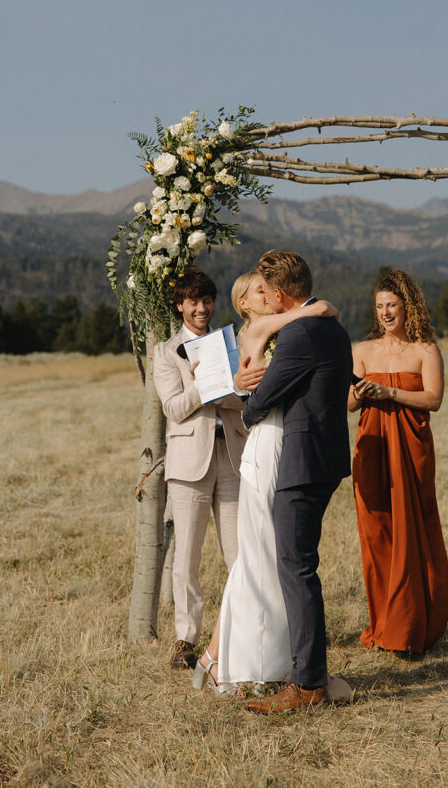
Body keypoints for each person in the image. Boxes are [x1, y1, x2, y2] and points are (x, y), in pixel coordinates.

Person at [191, 270, 339, 695]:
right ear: (246, 305)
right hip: (267, 441)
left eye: (269, 288)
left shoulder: (267, 330)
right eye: (259, 291)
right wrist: (320, 307)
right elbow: (318, 311)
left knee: (262, 555)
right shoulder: (258, 328)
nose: (269, 294)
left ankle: (221, 654)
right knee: (260, 555)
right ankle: (240, 662)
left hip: (281, 443)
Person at [238, 251, 354, 714]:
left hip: (303, 461)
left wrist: (246, 406)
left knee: (297, 567)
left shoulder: (300, 332)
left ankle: (307, 686)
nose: (265, 300)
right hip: (321, 457)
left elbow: (265, 395)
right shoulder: (327, 323)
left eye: (268, 292)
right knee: (298, 564)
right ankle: (308, 674)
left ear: (282, 294)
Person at [349, 268, 448, 656]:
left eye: (392, 305)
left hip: (411, 449)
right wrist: (360, 394)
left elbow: (434, 399)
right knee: (376, 535)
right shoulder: (362, 350)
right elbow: (345, 403)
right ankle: (385, 622)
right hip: (372, 448)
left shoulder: (426, 350)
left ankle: (414, 625)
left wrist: (390, 391)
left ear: (408, 307)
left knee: (414, 531)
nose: (385, 313)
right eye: (379, 307)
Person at [153, 268, 247, 670]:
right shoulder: (164, 351)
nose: (202, 308)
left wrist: (221, 390)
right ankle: (186, 639)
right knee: (186, 557)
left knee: (240, 554)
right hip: (189, 462)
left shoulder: (232, 343)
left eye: (207, 301)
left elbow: (246, 398)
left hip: (232, 458)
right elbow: (173, 408)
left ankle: (239, 632)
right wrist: (204, 386)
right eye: (193, 301)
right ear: (180, 305)